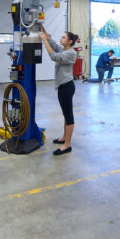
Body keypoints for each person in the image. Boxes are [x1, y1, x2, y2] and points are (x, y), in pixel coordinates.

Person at [40, 26, 78, 156]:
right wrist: (42, 27)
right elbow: (55, 45)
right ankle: (64, 137)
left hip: (67, 87)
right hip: (63, 86)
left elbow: (54, 56)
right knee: (65, 113)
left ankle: (67, 145)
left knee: (68, 115)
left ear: (70, 41)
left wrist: (44, 40)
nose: (61, 39)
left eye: (63, 37)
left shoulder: (71, 53)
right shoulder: (64, 49)